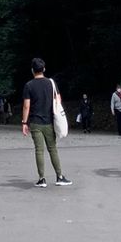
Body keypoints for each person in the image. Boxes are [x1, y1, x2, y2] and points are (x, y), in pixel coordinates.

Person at [22, 57, 72, 187]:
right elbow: (58, 99)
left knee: (39, 150)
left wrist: (24, 123)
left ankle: (42, 179)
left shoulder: (29, 85)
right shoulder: (51, 83)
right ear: (44, 69)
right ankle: (59, 177)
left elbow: (26, 106)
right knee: (52, 149)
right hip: (49, 121)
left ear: (32, 70)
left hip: (35, 122)